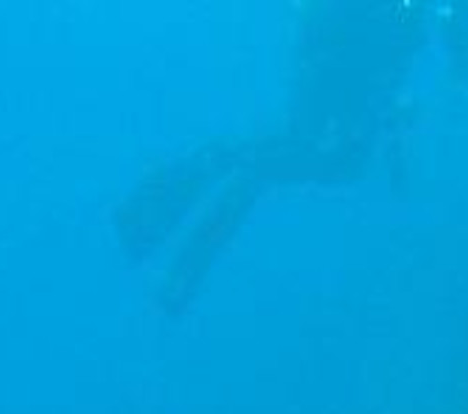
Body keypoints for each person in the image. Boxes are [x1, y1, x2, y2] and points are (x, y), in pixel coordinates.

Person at [118, 0, 437, 311]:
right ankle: (216, 172)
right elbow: (394, 34)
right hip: (340, 57)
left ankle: (213, 177)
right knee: (314, 157)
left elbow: (400, 38)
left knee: (313, 159)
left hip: (337, 57)